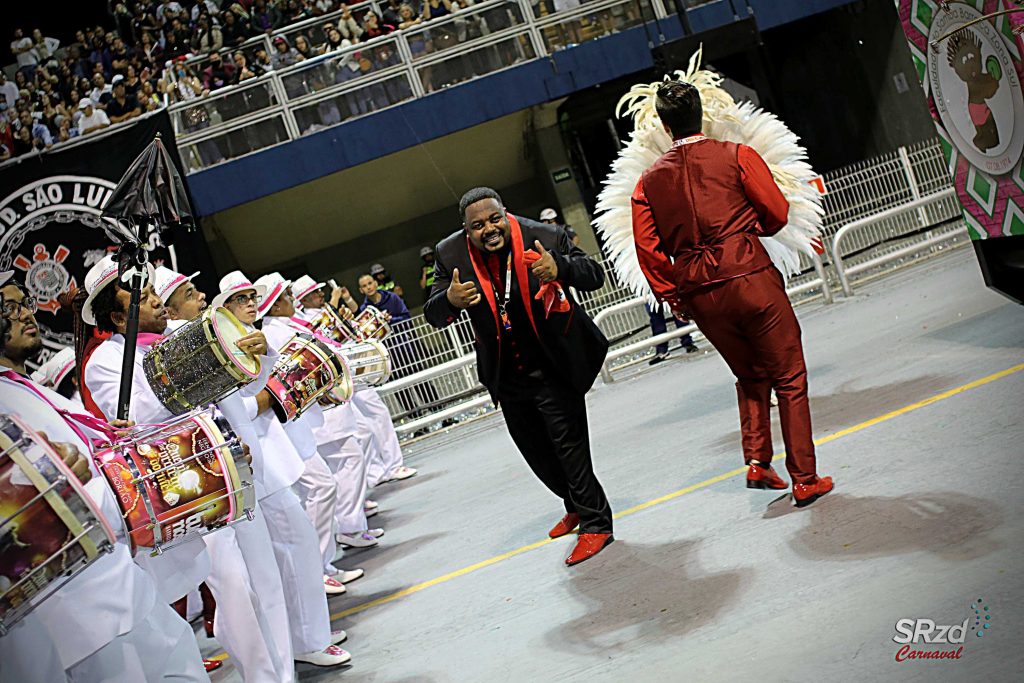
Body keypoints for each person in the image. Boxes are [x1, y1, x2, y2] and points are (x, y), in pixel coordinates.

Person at [630, 81, 833, 507]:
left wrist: (675, 296)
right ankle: (805, 477)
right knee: (790, 378)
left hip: (699, 292)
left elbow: (648, 251)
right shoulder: (737, 156)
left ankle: (758, 460)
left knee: (749, 373)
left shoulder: (647, 183)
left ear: (665, 126)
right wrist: (746, 232)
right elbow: (777, 213)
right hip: (749, 275)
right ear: (701, 115)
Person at [0, 276, 211, 682]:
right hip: (77, 606)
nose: (26, 313)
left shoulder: (20, 388)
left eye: (23, 302)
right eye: (9, 309)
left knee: (183, 666)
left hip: (117, 576)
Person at [425, 187, 614, 566]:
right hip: (506, 375)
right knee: (539, 457)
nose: (488, 229)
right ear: (466, 230)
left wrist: (561, 267)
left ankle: (597, 524)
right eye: (477, 225)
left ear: (504, 213)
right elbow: (433, 312)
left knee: (570, 450)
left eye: (494, 219)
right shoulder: (449, 254)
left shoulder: (542, 235)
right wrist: (450, 300)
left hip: (553, 365)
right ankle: (575, 505)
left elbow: (594, 276)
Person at [211, 271, 352, 667]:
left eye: (252, 296)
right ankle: (302, 643)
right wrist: (271, 398)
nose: (250, 303)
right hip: (242, 465)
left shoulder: (249, 336)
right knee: (281, 555)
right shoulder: (214, 342)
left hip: (263, 457)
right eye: (240, 299)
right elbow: (241, 402)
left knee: (287, 552)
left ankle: (304, 639)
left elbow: (256, 392)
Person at [297, 275, 417, 486]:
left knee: (368, 423)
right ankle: (386, 468)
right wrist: (335, 301)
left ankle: (381, 470)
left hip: (350, 372)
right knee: (370, 422)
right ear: (304, 299)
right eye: (314, 293)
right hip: (342, 378)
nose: (320, 294)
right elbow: (321, 330)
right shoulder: (309, 317)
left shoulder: (316, 313)